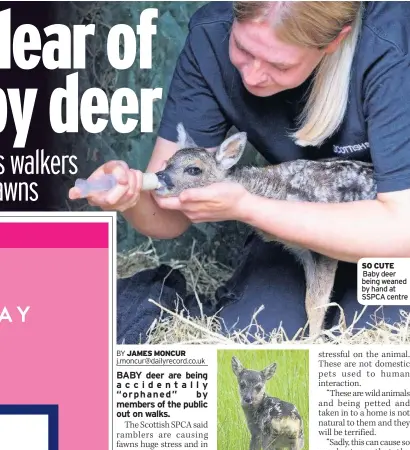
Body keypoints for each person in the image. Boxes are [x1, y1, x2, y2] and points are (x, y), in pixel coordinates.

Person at [70, 1, 410, 343]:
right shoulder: (211, 37)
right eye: (243, 49)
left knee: (371, 341)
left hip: (387, 238)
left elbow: (401, 230)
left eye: (280, 64)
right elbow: (165, 215)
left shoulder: (388, 45)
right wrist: (130, 197)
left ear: (335, 42)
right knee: (256, 335)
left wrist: (248, 207)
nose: (252, 76)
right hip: (293, 237)